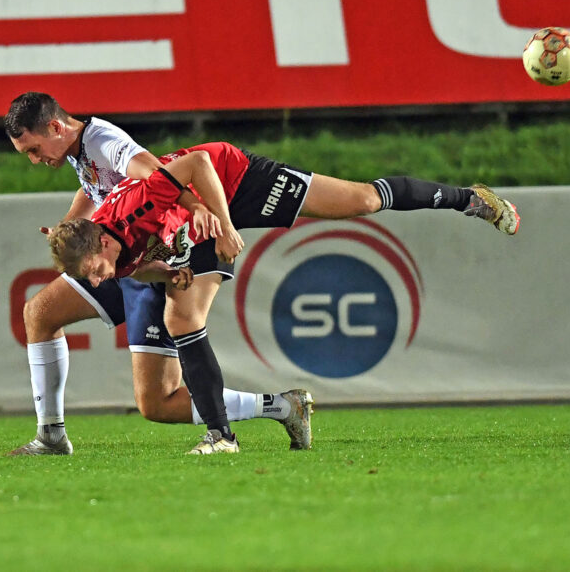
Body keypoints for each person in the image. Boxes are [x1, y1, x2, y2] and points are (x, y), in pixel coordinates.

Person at [48, 141, 519, 454]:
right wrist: (169, 270)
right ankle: (223, 435)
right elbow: (136, 266)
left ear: (103, 241)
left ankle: (468, 199)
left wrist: (224, 224)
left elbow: (199, 165)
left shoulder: (133, 209)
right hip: (194, 224)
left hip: (231, 178)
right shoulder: (107, 254)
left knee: (362, 201)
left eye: (94, 270)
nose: (98, 280)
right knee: (180, 324)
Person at [4, 92, 312, 456]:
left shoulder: (103, 140)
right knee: (40, 312)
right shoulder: (78, 151)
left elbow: (154, 171)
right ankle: (51, 436)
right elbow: (92, 191)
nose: (35, 159)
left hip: (147, 257)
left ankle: (274, 410)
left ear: (55, 127)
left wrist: (198, 208)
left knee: (158, 401)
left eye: (33, 150)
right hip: (115, 259)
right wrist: (69, 228)